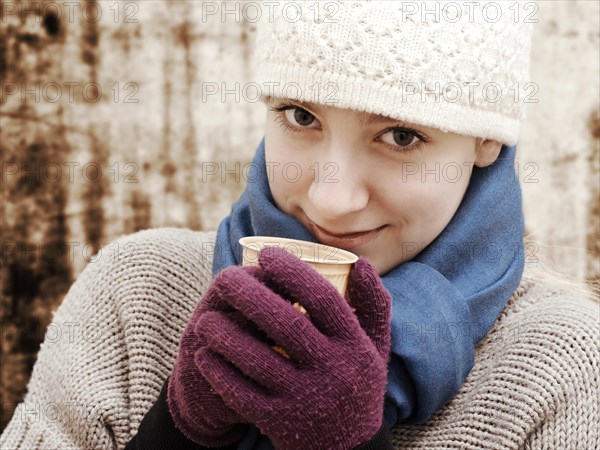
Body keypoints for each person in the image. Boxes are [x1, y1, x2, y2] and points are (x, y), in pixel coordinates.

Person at [1, 1, 598, 449]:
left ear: (488, 141)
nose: (332, 199)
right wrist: (176, 432)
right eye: (300, 115)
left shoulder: (561, 360)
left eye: (401, 135)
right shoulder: (137, 294)